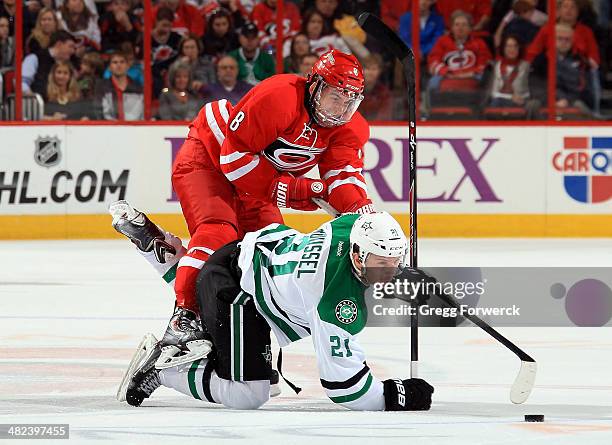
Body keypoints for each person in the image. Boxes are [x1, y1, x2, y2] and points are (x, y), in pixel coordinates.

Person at [109, 49, 376, 369]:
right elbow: (234, 161)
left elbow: (343, 177)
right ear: (315, 85)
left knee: (269, 253)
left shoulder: (349, 127)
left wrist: (363, 213)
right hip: (209, 157)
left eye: (350, 101)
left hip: (257, 177)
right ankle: (185, 320)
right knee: (218, 233)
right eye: (335, 97)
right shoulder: (279, 97)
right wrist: (295, 190)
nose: (341, 109)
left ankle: (157, 247)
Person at [117, 212, 435, 411]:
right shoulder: (334, 300)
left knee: (269, 382)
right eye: (381, 264)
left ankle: (169, 261)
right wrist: (398, 396)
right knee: (250, 394)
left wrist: (400, 276)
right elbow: (346, 389)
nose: (388, 270)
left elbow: (368, 237)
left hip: (252, 260)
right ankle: (163, 370)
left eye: (393, 261)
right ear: (356, 255)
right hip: (237, 290)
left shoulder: (351, 226)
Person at [22, 30, 77, 100]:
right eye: (70, 46)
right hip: (39, 106)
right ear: (59, 44)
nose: (73, 51)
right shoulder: (35, 58)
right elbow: (21, 83)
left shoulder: (70, 63)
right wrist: (34, 99)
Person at [555, 23, 593, 115]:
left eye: (567, 39)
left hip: (573, 103)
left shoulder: (581, 61)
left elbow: (584, 89)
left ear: (572, 41)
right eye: (560, 38)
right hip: (548, 103)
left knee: (579, 106)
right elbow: (542, 85)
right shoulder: (542, 60)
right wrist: (559, 98)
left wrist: (566, 100)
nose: (564, 42)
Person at [96, 51, 144, 120]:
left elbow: (142, 114)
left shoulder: (138, 89)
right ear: (109, 67)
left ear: (127, 66)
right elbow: (98, 112)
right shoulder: (101, 88)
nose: (119, 65)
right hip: (108, 128)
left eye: (122, 62)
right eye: (115, 62)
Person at [152, 7, 182, 96]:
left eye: (169, 26)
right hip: (153, 74)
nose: (166, 29)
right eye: (164, 25)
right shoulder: (146, 38)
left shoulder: (177, 39)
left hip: (171, 72)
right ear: (157, 22)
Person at [359, 53, 392, 121]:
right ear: (362, 70)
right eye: (368, 68)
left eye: (374, 69)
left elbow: (385, 115)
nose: (370, 72)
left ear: (379, 71)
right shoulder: (355, 90)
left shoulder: (383, 92)